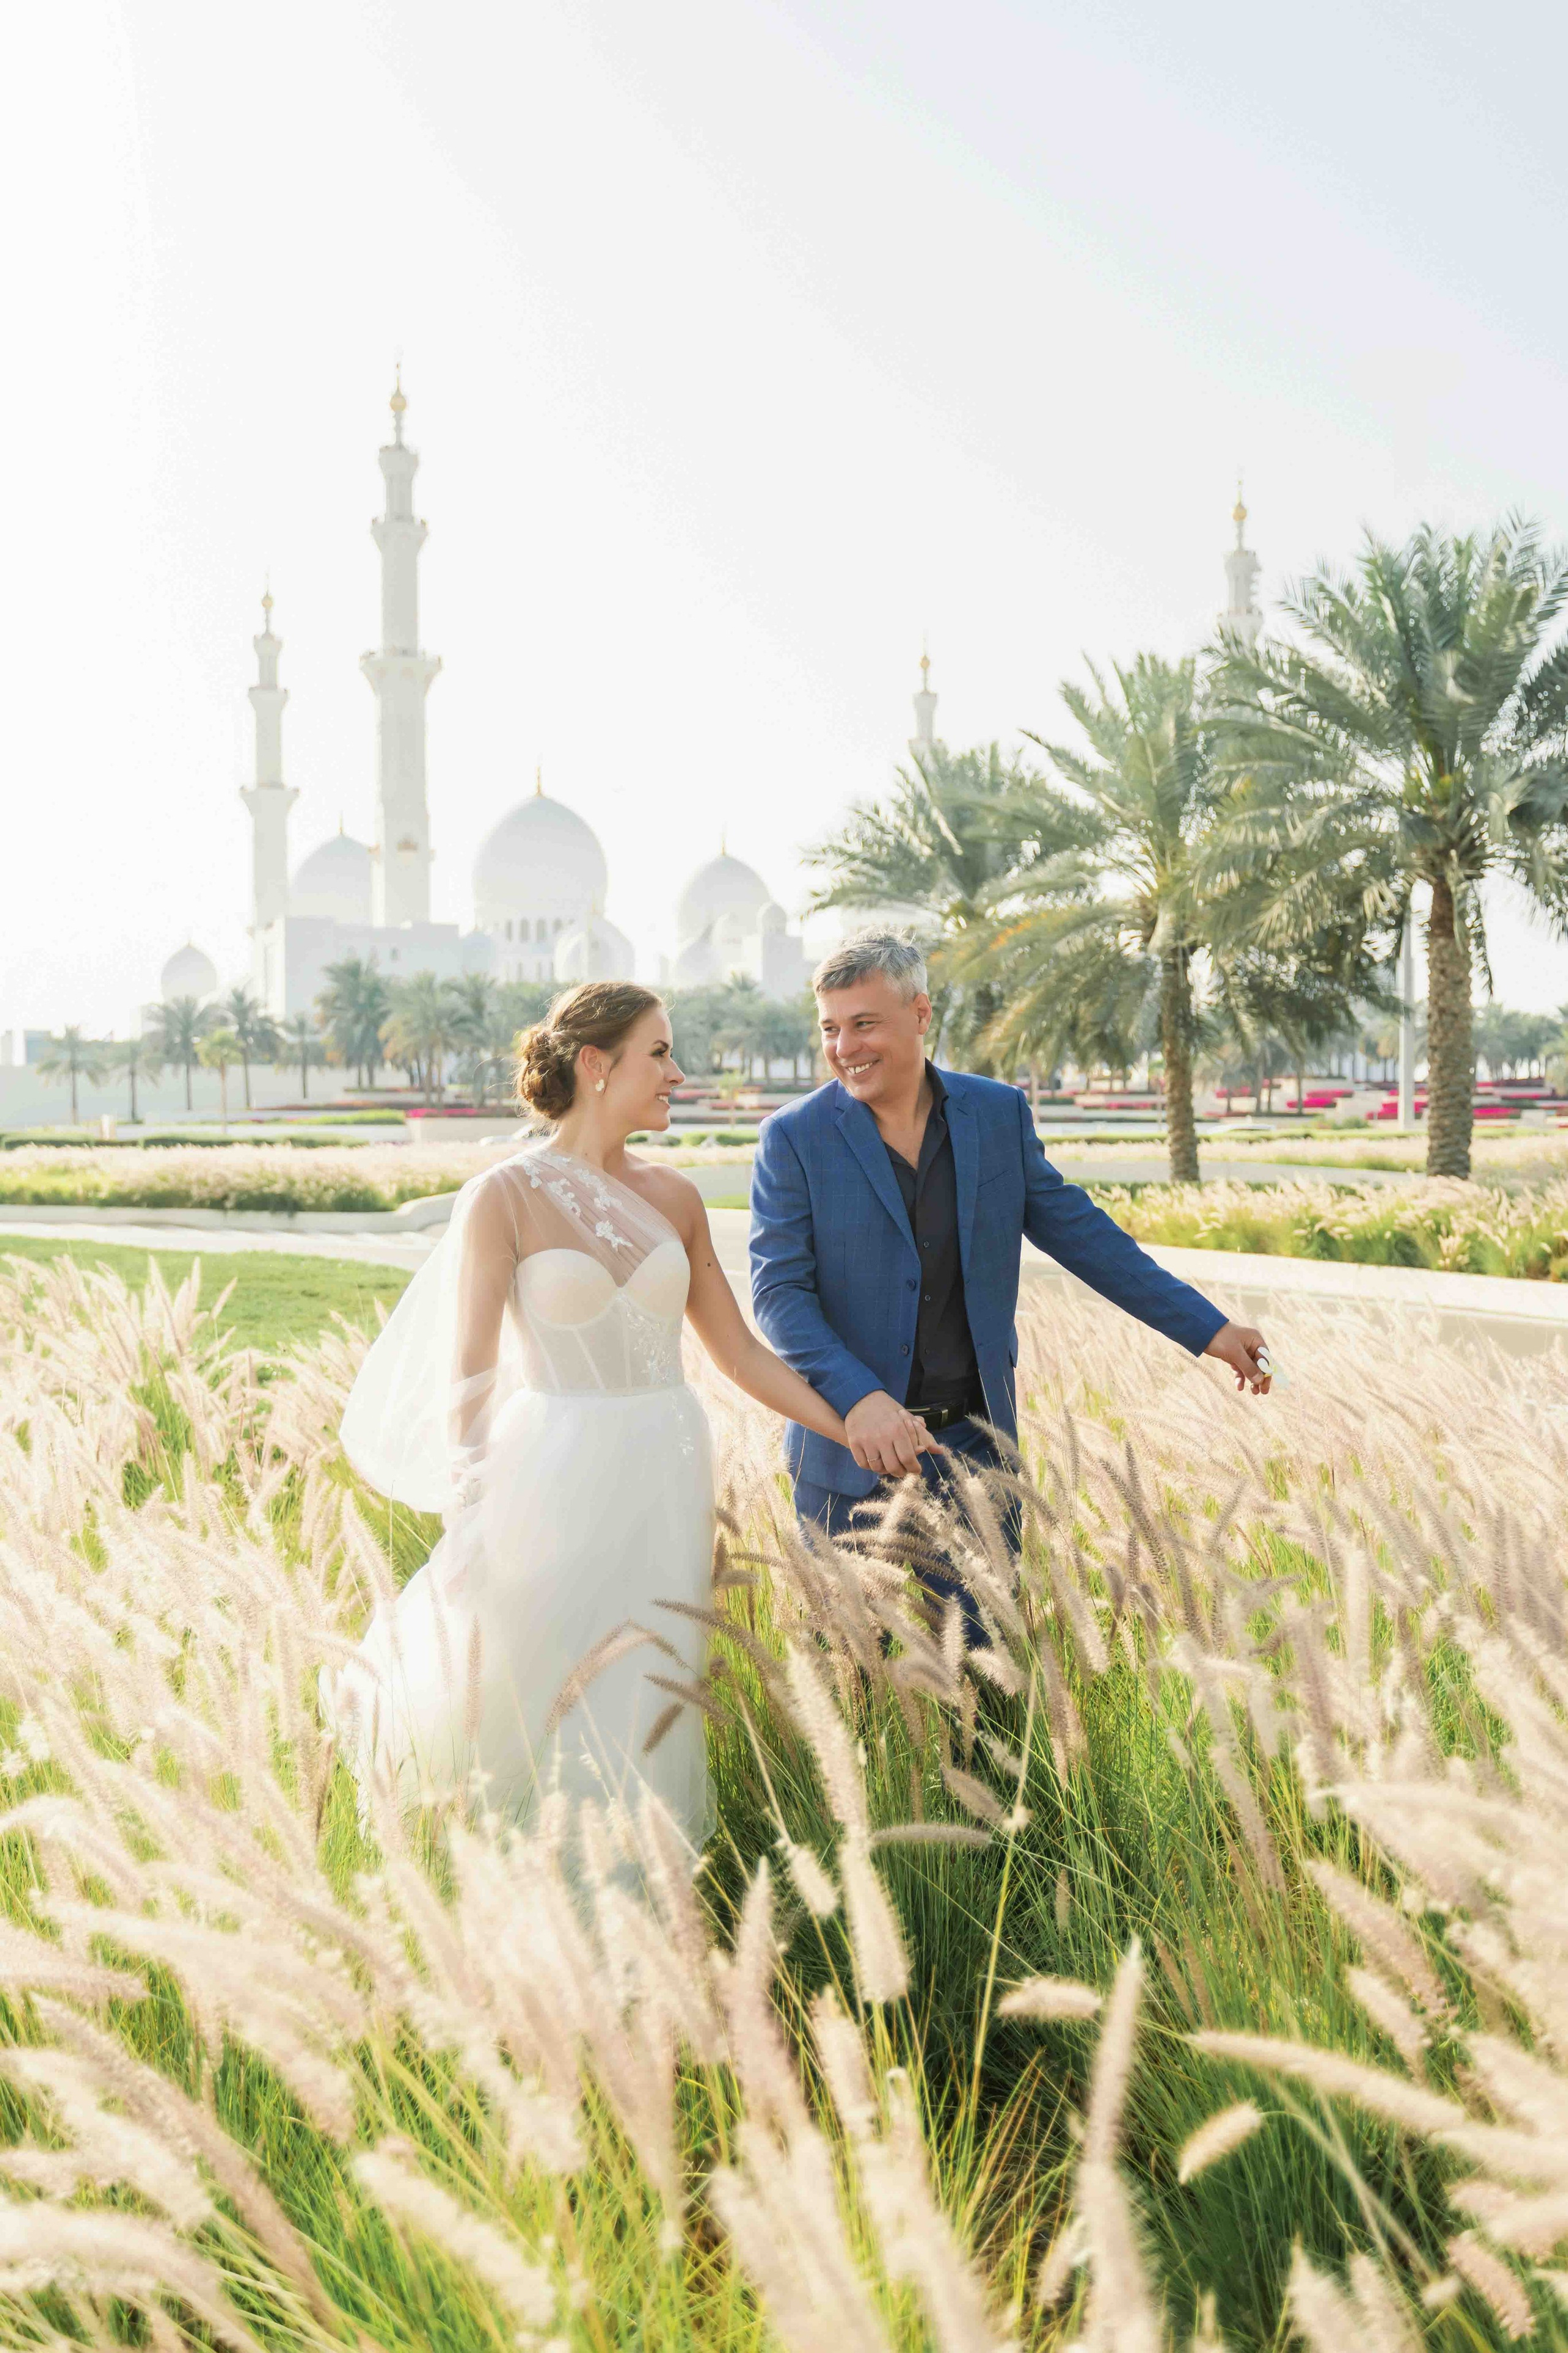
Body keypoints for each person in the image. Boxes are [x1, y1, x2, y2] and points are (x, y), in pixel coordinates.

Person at [322, 981, 920, 1849]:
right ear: (597, 1065)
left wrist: (856, 1426)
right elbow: (470, 1379)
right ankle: (527, 1898)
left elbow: (742, 1355)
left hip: (664, 1470)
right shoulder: (504, 1197)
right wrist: (473, 1512)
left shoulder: (675, 1200)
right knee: (534, 1688)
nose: (679, 1073)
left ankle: (637, 1889)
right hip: (549, 1476)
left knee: (640, 1692)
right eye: (660, 1053)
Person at [749, 931, 1272, 1642]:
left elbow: (1084, 1235)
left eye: (864, 1023)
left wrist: (1207, 1328)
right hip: (844, 1455)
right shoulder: (792, 1138)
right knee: (853, 1690)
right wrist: (860, 1399)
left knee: (987, 1695)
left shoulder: (996, 1114)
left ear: (920, 1013)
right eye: (831, 1029)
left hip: (973, 1449)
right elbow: (779, 1294)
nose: (845, 1047)